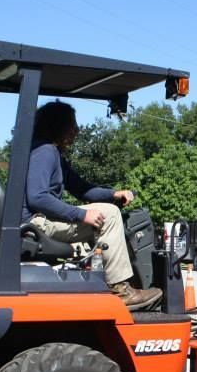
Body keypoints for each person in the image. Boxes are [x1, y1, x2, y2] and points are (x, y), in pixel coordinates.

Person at [22, 100, 161, 311]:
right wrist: (81, 215)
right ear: (57, 125)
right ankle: (120, 289)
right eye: (72, 124)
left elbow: (82, 189)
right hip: (35, 224)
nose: (77, 130)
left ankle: (107, 281)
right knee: (110, 215)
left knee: (107, 209)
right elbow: (37, 197)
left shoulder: (51, 154)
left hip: (39, 222)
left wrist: (113, 194)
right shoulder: (45, 151)